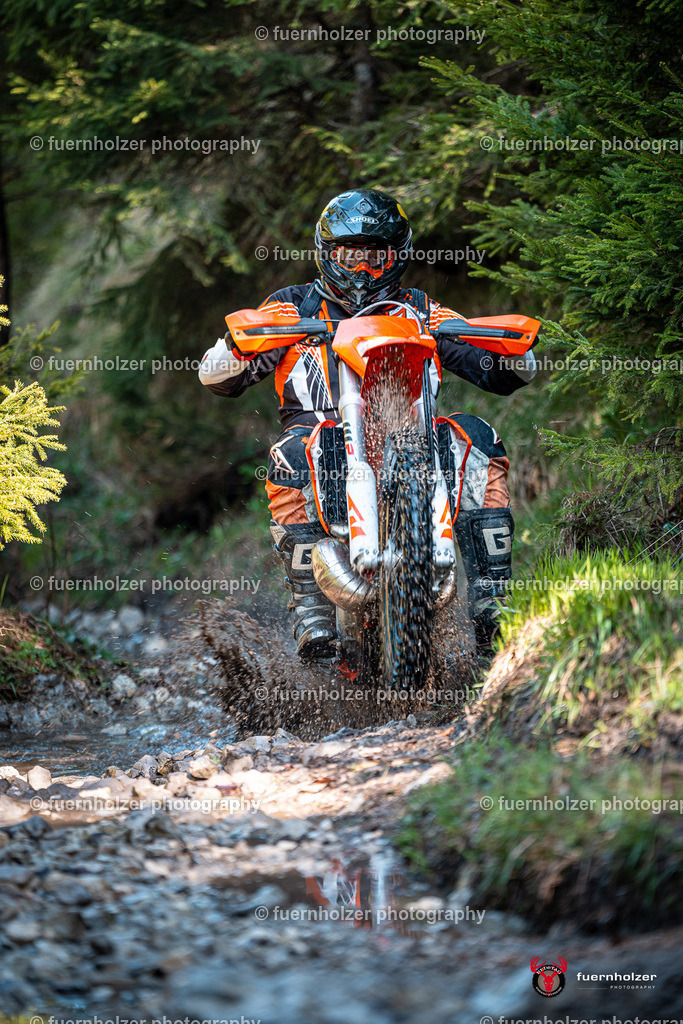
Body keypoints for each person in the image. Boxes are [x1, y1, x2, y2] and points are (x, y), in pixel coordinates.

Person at [199, 188, 536, 661]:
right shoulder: (294, 306)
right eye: (350, 256)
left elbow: (496, 369)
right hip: (321, 441)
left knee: (477, 438)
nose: (362, 269)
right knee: (293, 453)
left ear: (397, 257)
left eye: (376, 258)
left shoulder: (418, 308)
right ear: (327, 254)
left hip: (411, 439)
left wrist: (512, 353)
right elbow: (219, 377)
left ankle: (492, 602)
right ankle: (310, 608)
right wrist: (235, 348)